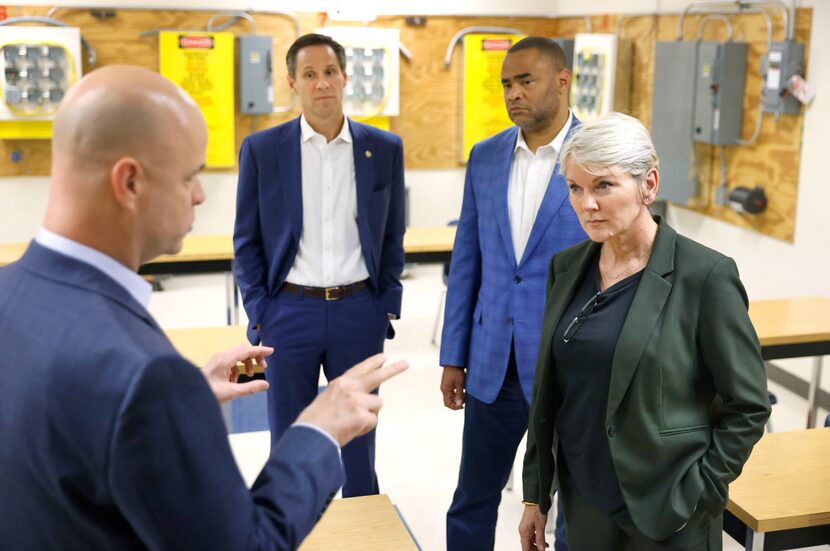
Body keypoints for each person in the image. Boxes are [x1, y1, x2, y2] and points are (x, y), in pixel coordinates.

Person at [0, 65, 407, 550]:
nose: (199, 194)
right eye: (190, 175)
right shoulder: (147, 377)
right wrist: (317, 432)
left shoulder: (12, 292)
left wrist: (182, 398)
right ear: (129, 182)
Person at [519, 113, 770, 551]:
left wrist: (700, 492)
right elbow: (550, 394)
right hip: (586, 503)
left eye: (603, 186)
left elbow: (747, 405)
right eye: (575, 188)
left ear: (648, 185)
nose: (586, 204)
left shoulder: (705, 276)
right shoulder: (567, 268)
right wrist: (536, 493)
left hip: (668, 509)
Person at [234, 33, 405, 498]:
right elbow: (246, 241)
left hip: (358, 312)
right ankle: (289, 532)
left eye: (330, 72)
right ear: (293, 82)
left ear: (345, 77)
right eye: (309, 74)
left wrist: (384, 304)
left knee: (359, 440)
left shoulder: (383, 148)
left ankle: (360, 536)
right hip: (289, 313)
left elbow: (392, 235)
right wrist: (260, 312)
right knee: (290, 438)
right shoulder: (264, 150)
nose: (322, 83)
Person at [440, 36, 586, 550]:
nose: (514, 93)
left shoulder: (596, 157)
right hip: (493, 365)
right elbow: (467, 264)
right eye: (507, 83)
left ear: (563, 81)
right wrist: (453, 356)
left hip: (572, 367)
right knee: (473, 499)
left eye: (527, 80)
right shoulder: (485, 157)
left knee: (575, 506)